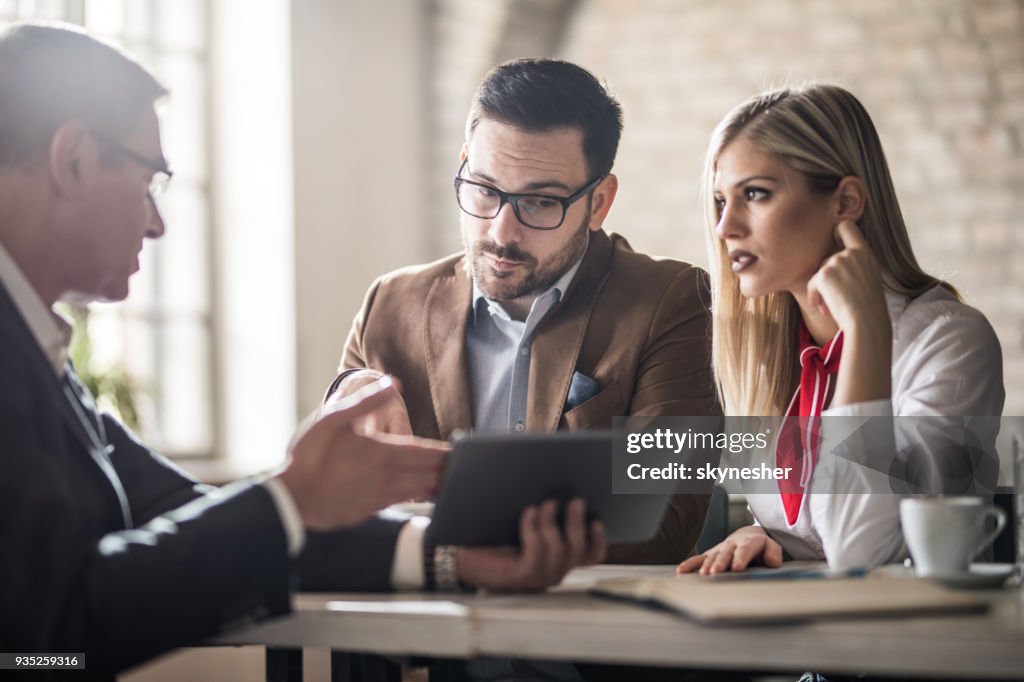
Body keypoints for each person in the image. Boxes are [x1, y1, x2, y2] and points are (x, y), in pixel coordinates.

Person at [0, 23, 605, 679]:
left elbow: (175, 513)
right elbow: (42, 646)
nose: (157, 221)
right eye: (150, 181)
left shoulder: (35, 349)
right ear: (75, 160)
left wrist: (446, 555)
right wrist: (291, 498)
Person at [327, 57, 720, 565]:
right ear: (464, 164)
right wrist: (342, 397)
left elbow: (660, 520)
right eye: (486, 190)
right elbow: (334, 498)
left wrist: (445, 528)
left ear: (599, 202)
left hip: (581, 635)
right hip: (418, 638)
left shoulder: (676, 301)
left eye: (540, 203)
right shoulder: (390, 302)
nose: (501, 232)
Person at [677, 83, 1005, 576]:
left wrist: (865, 333)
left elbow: (861, 551)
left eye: (756, 194)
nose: (726, 227)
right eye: (722, 201)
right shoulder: (771, 353)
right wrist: (768, 535)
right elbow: (823, 534)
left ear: (845, 201)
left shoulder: (951, 343)